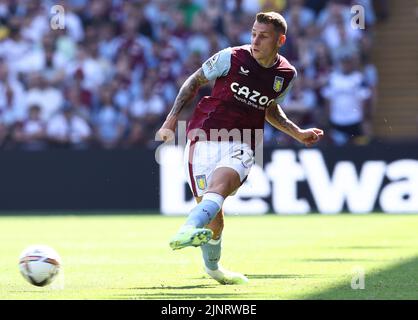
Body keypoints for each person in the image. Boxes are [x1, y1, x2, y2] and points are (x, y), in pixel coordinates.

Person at [156, 12, 324, 285]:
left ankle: (186, 229)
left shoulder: (286, 74)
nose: (255, 41)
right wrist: (171, 119)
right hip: (203, 138)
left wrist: (298, 133)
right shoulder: (231, 57)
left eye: (263, 36)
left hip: (243, 141)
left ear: (280, 40)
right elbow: (194, 81)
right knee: (215, 219)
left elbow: (269, 107)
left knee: (219, 188)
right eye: (253, 33)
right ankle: (214, 269)